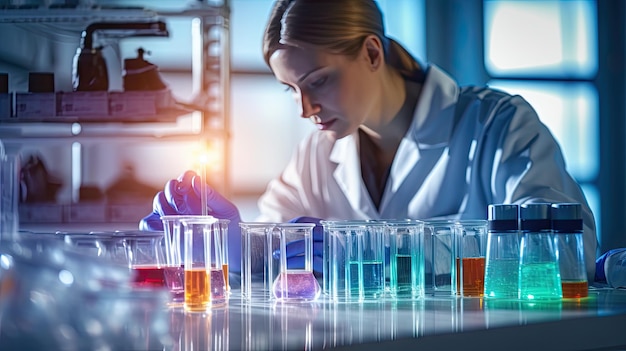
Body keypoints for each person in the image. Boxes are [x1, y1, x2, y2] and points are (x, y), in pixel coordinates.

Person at [140, 0, 597, 280]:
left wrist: (375, 253)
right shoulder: (318, 155)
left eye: (318, 81)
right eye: (291, 90)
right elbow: (276, 245)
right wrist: (227, 243)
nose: (305, 109)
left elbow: (566, 253)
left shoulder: (496, 124)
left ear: (372, 52)